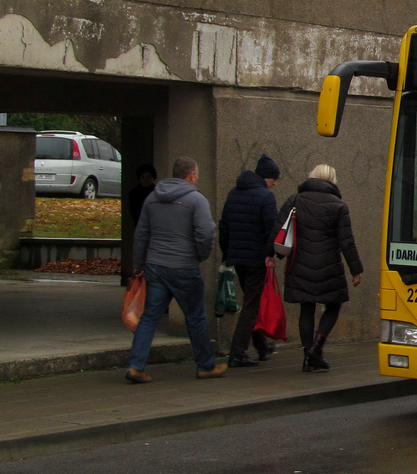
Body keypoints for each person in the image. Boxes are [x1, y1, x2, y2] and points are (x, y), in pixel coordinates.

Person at [125, 156, 226, 383]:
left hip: (155, 266)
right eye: (196, 174)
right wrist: (200, 256)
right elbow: (206, 233)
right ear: (191, 175)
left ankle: (135, 366)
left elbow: (141, 234)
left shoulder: (152, 198)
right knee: (196, 318)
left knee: (149, 317)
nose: (197, 178)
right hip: (184, 267)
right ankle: (206, 366)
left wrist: (139, 265)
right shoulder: (196, 200)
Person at [273, 164, 363, 372]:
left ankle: (307, 356)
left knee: (307, 306)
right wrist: (355, 269)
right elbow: (346, 241)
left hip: (300, 264)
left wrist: (271, 255)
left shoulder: (295, 200)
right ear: (332, 180)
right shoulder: (339, 205)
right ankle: (317, 346)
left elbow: (279, 228)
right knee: (334, 304)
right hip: (328, 265)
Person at [218, 154, 280, 367]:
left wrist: (227, 253)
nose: (275, 182)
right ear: (266, 177)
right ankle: (237, 353)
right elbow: (272, 229)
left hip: (238, 258)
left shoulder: (234, 193)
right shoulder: (266, 197)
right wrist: (271, 254)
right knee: (251, 306)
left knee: (252, 301)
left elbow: (224, 225)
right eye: (273, 178)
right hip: (256, 260)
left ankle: (262, 347)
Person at [127, 164, 157, 230]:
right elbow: (135, 213)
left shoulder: (157, 192)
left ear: (153, 178)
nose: (146, 180)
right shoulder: (134, 194)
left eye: (148, 177)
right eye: (143, 177)